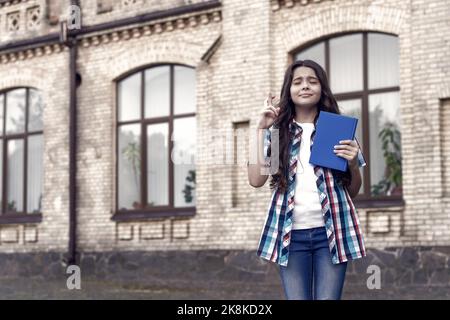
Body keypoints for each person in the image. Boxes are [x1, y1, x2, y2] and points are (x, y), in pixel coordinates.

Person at [247, 59, 367, 300]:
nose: (305, 86)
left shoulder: (338, 129)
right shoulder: (278, 132)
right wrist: (260, 129)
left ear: (321, 88)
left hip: (331, 233)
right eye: (297, 82)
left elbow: (353, 191)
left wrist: (353, 164)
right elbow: (256, 179)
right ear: (288, 90)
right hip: (291, 235)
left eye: (312, 81)